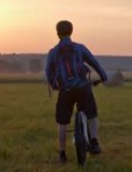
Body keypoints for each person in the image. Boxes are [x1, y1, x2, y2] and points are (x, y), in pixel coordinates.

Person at [45, 20, 108, 163]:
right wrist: (103, 77)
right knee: (92, 114)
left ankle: (62, 154)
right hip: (83, 88)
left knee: (62, 123)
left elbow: (48, 72)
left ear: (57, 33)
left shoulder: (53, 52)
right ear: (71, 31)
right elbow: (94, 63)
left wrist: (55, 86)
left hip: (65, 90)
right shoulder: (80, 48)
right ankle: (94, 141)